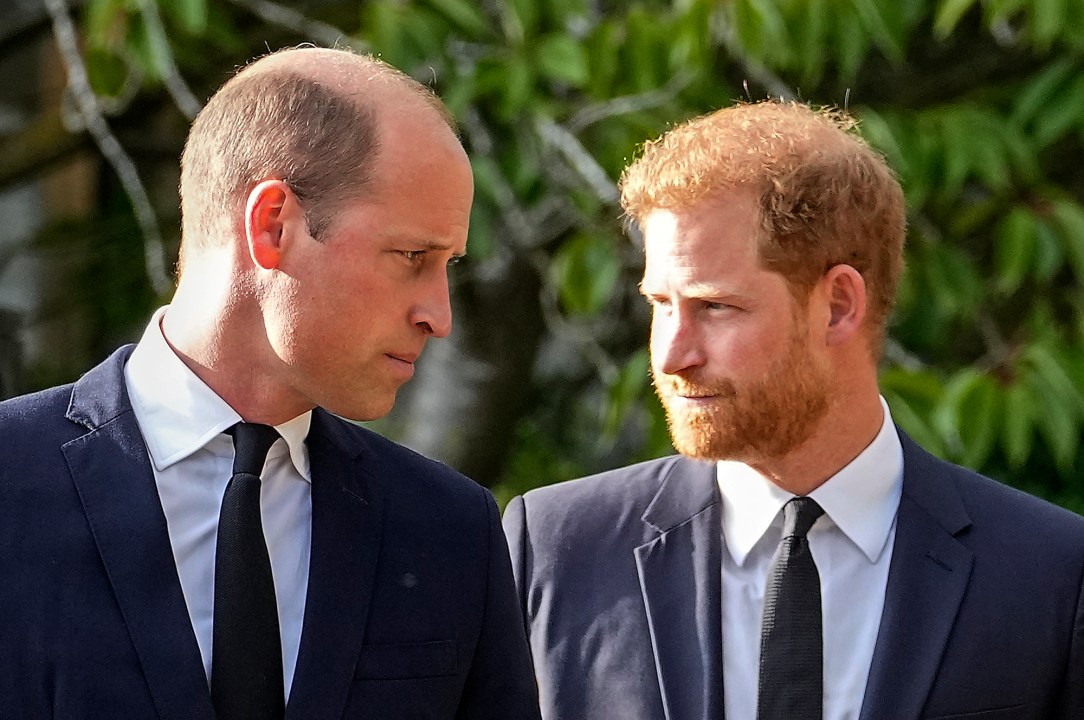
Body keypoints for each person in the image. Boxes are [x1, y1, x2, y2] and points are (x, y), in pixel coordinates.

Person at [0, 47, 541, 720]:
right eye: (412, 257)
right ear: (272, 224)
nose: (440, 315)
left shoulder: (450, 531)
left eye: (448, 264)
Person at [503, 100, 1084, 720]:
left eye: (714, 306)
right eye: (660, 304)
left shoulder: (1049, 572)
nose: (671, 355)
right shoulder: (557, 548)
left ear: (837, 305)